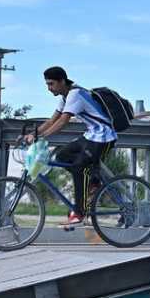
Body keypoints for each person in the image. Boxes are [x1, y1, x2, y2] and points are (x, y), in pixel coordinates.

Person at [24, 66, 117, 225]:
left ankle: (79, 212)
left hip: (104, 137)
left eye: (51, 84)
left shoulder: (75, 94)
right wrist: (35, 134)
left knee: (78, 167)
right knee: (62, 156)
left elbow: (63, 121)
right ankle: (93, 180)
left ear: (62, 81)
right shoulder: (65, 97)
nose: (49, 88)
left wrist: (43, 137)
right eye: (47, 84)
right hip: (91, 135)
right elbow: (52, 120)